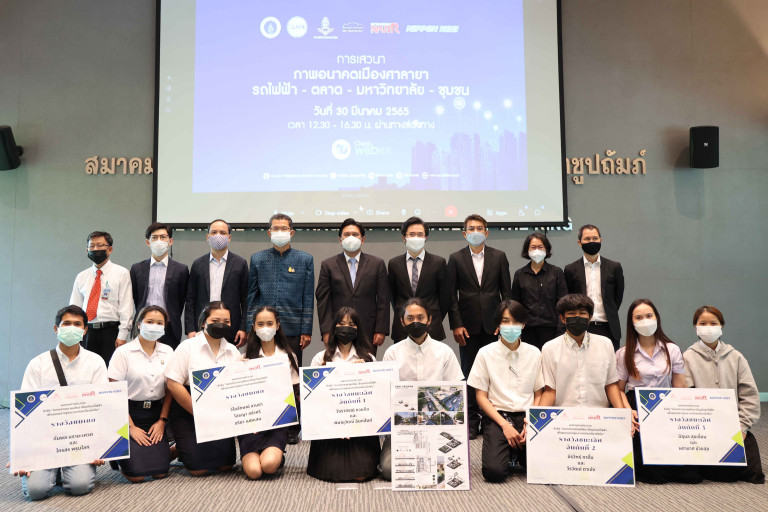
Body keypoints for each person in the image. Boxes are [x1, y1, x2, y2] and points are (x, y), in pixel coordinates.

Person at [11, 305, 107, 500]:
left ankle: (66, 467)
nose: (72, 328)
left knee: (80, 486)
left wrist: (100, 447)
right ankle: (52, 469)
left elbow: (102, 407)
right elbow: (25, 412)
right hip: (44, 439)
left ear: (85, 330)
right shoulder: (38, 364)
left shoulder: (95, 362)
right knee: (36, 491)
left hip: (80, 438)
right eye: (67, 323)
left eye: (77, 324)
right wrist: (22, 454)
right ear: (56, 329)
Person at [379, 298, 464, 480]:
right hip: (402, 428)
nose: (415, 322)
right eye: (410, 318)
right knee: (389, 470)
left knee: (449, 468)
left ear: (429, 319)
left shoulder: (445, 352)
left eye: (420, 317)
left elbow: (457, 395)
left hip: (437, 426)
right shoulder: (392, 353)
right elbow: (385, 396)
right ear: (402, 321)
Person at [247, 213, 313, 444]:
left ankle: (292, 427)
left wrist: (306, 329)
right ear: (269, 232)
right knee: (261, 377)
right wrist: (249, 326)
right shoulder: (258, 259)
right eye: (276, 228)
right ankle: (262, 420)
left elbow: (307, 296)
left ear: (292, 232)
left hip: (293, 328)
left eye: (284, 228)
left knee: (291, 379)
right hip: (263, 330)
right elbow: (251, 295)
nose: (280, 232)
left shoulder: (305, 259)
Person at [615, 299, 697, 484]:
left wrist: (682, 415)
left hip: (667, 404)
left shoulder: (672, 349)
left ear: (657, 318)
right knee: (654, 474)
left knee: (689, 474)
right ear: (632, 322)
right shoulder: (623, 353)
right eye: (639, 317)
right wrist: (627, 411)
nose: (645, 320)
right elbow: (619, 389)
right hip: (637, 405)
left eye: (649, 316)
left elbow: (680, 386)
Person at [446, 214, 512, 438]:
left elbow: (506, 293)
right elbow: (451, 296)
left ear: (486, 232)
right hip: (468, 327)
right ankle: (472, 420)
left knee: (495, 373)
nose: (476, 232)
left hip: (494, 327)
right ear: (464, 233)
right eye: (471, 229)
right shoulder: (456, 258)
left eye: (479, 228)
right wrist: (456, 324)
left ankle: (492, 420)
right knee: (470, 373)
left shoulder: (499, 256)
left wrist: (504, 322)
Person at [684, 305, 764, 484]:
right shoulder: (687, 357)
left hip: (733, 426)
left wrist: (742, 427)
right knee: (704, 474)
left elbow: (750, 396)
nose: (708, 327)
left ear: (722, 326)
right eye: (703, 323)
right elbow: (686, 397)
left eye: (713, 323)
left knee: (754, 475)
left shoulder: (736, 357)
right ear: (695, 326)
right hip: (702, 428)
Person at [468, 300, 544, 482]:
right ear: (498, 325)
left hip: (526, 417)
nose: (511, 326)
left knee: (539, 468)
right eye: (505, 321)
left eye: (516, 321)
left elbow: (539, 393)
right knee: (494, 472)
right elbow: (481, 397)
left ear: (523, 324)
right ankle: (508, 451)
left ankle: (515, 453)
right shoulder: (485, 353)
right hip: (498, 417)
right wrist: (505, 426)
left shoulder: (534, 353)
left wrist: (530, 423)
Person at [165, 301, 240, 476]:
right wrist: (198, 411)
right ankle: (179, 447)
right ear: (203, 322)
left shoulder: (233, 351)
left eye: (226, 321)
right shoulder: (187, 347)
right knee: (198, 469)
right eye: (215, 320)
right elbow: (172, 383)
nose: (221, 325)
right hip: (189, 411)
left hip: (219, 414)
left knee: (225, 467)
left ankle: (182, 447)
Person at [306, 307, 380, 482]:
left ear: (358, 329)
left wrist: (365, 373)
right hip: (329, 426)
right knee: (333, 475)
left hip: (360, 426)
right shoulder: (320, 358)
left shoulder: (368, 358)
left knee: (362, 475)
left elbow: (375, 398)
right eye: (341, 323)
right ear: (334, 327)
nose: (346, 328)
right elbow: (312, 400)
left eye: (351, 324)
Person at [108, 305, 174, 482]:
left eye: (159, 323)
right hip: (127, 415)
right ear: (139, 324)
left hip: (155, 415)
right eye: (149, 321)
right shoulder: (123, 352)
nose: (154, 326)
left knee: (160, 472)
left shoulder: (168, 351)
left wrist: (162, 421)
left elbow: (170, 390)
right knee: (136, 476)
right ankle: (117, 454)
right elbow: (114, 393)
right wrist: (130, 427)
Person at [238, 306, 300, 480]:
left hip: (276, 424)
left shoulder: (289, 357)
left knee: (269, 465)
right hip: (251, 426)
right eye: (260, 324)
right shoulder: (245, 359)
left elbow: (294, 395)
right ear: (254, 327)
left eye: (270, 323)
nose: (265, 328)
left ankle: (276, 456)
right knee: (254, 472)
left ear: (277, 326)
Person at [539, 294, 626, 410]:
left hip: (599, 415)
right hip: (564, 416)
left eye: (582, 313)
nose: (577, 317)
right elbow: (550, 391)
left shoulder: (605, 344)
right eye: (571, 314)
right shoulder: (549, 348)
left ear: (590, 318)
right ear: (562, 319)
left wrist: (623, 415)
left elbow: (611, 385)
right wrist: (536, 418)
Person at [316, 218, 389, 353]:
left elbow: (383, 299)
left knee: (366, 364)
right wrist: (326, 331)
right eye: (346, 234)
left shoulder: (377, 264)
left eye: (355, 234)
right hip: (338, 329)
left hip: (368, 329)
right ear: (340, 240)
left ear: (362, 239)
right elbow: (323, 301)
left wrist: (381, 329)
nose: (351, 238)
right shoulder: (328, 265)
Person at [70, 230, 134, 363]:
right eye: (92, 246)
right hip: (87, 332)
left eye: (100, 245)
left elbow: (126, 307)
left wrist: (122, 335)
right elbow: (74, 309)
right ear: (87, 250)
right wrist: (74, 334)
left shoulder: (122, 273)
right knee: (86, 369)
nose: (95, 249)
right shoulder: (81, 276)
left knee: (110, 371)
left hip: (111, 332)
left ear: (110, 249)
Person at [185, 219, 248, 346]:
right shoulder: (198, 264)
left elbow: (245, 299)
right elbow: (190, 299)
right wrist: (190, 329)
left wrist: (243, 327)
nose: (218, 236)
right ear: (207, 237)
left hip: (230, 326)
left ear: (229, 237)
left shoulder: (240, 263)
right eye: (214, 232)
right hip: (203, 326)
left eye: (222, 233)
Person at [388, 217, 450, 343]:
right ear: (404, 238)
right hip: (403, 328)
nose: (416, 237)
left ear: (425, 237)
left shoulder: (438, 262)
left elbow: (444, 298)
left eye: (420, 234)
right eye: (412, 234)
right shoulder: (394, 263)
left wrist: (430, 318)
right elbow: (394, 297)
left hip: (431, 328)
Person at [564, 224, 624, 349]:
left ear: (600, 240)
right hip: (582, 326)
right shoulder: (570, 269)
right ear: (579, 242)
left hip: (608, 327)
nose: (591, 241)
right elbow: (569, 298)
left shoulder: (614, 267)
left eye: (595, 238)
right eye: (587, 239)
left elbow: (617, 297)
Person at [130, 222, 189, 349]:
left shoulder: (181, 270)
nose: (159, 241)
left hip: (169, 326)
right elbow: (136, 298)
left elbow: (181, 300)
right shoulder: (137, 269)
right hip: (144, 325)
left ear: (170, 241)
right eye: (154, 237)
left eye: (163, 237)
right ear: (148, 242)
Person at [510, 232, 567, 349]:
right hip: (527, 331)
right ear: (527, 250)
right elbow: (515, 304)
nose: (537, 250)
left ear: (546, 249)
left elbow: (563, 303)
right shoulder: (520, 274)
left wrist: (561, 330)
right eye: (533, 247)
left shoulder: (556, 273)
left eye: (540, 247)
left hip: (551, 329)